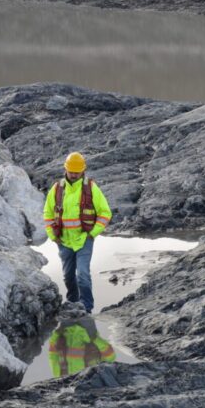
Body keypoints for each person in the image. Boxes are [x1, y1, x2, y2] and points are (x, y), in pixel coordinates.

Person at [43, 152, 112, 313]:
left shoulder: (90, 188)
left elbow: (105, 213)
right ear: (65, 169)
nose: (74, 175)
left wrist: (92, 233)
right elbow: (47, 213)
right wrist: (53, 236)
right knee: (68, 276)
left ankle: (87, 307)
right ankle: (72, 302)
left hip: (84, 239)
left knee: (82, 274)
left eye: (77, 172)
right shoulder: (57, 188)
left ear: (83, 171)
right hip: (64, 241)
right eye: (71, 171)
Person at [48, 316, 116, 378]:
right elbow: (110, 355)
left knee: (69, 306)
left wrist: (56, 334)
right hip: (86, 329)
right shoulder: (93, 379)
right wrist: (95, 339)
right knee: (84, 307)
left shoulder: (58, 375)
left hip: (67, 327)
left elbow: (52, 352)